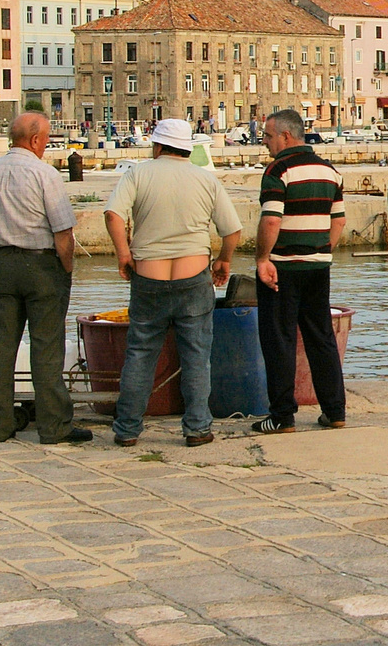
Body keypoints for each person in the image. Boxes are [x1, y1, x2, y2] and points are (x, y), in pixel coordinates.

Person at [104, 118, 242, 447]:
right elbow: (232, 230)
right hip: (193, 279)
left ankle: (127, 430)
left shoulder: (138, 173)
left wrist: (124, 254)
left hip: (148, 278)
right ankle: (196, 429)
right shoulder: (204, 179)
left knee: (139, 353)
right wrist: (223, 260)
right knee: (195, 356)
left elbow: (112, 215)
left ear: (157, 145)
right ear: (188, 148)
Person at [0, 111, 91, 444]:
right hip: (42, 266)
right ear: (35, 140)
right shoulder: (44, 174)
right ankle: (54, 427)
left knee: (2, 347)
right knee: (46, 347)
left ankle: (0, 425)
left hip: (3, 266)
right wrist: (66, 268)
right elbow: (63, 231)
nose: (47, 144)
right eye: (46, 138)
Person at [251, 109, 346, 434]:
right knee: (321, 336)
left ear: (285, 136)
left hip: (283, 267)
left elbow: (272, 220)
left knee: (280, 339)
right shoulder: (329, 171)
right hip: (318, 267)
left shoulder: (278, 170)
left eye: (267, 136)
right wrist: (322, 249)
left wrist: (263, 259)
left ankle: (281, 416)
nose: (265, 142)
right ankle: (334, 411)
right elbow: (339, 221)